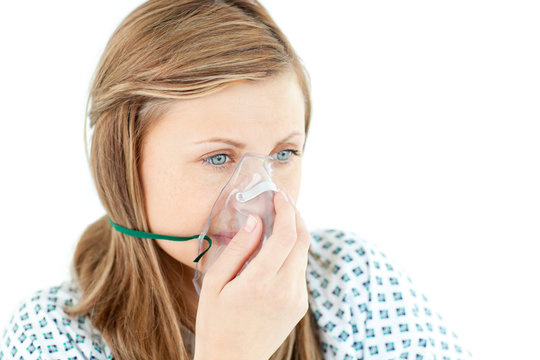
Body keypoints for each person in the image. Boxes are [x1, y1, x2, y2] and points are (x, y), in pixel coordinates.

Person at [0, 1, 473, 359]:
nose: (259, 197)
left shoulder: (354, 284)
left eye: (284, 153)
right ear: (122, 165)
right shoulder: (52, 335)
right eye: (219, 157)